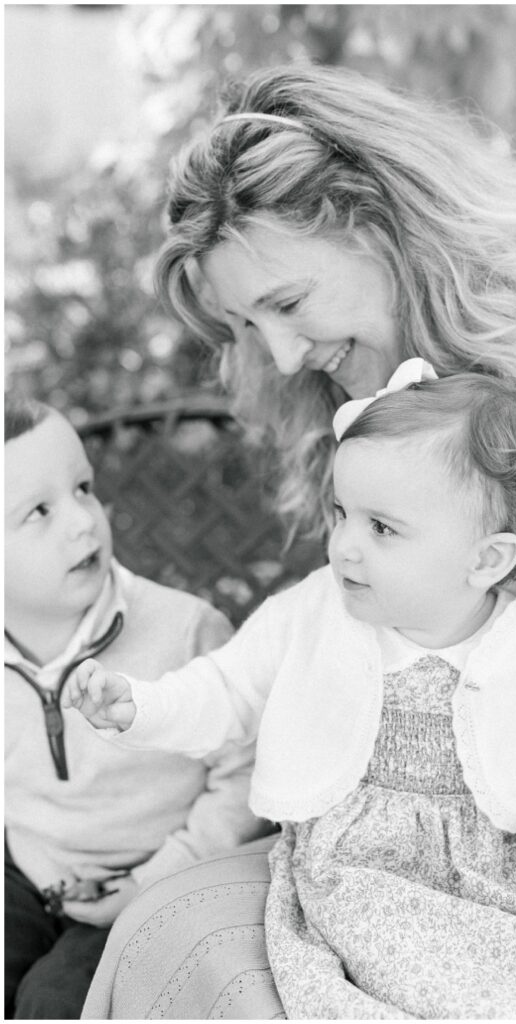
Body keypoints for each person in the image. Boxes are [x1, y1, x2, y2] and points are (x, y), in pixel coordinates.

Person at [82, 63, 516, 1018]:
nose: (278, 357)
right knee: (160, 938)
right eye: (243, 325)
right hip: (394, 868)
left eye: (285, 303)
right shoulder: (359, 443)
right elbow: (295, 681)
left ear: (386, 225)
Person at [68, 364, 516, 1019]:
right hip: (359, 871)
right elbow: (225, 691)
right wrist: (142, 706)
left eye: (381, 528)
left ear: (487, 560)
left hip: (493, 862)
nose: (343, 549)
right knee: (406, 966)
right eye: (340, 515)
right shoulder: (309, 615)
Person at [3, 397, 269, 1020]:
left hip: (162, 875)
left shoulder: (184, 630)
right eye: (39, 511)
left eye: (83, 489)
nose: (83, 522)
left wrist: (160, 876)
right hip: (32, 874)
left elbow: (245, 776)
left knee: (54, 1002)